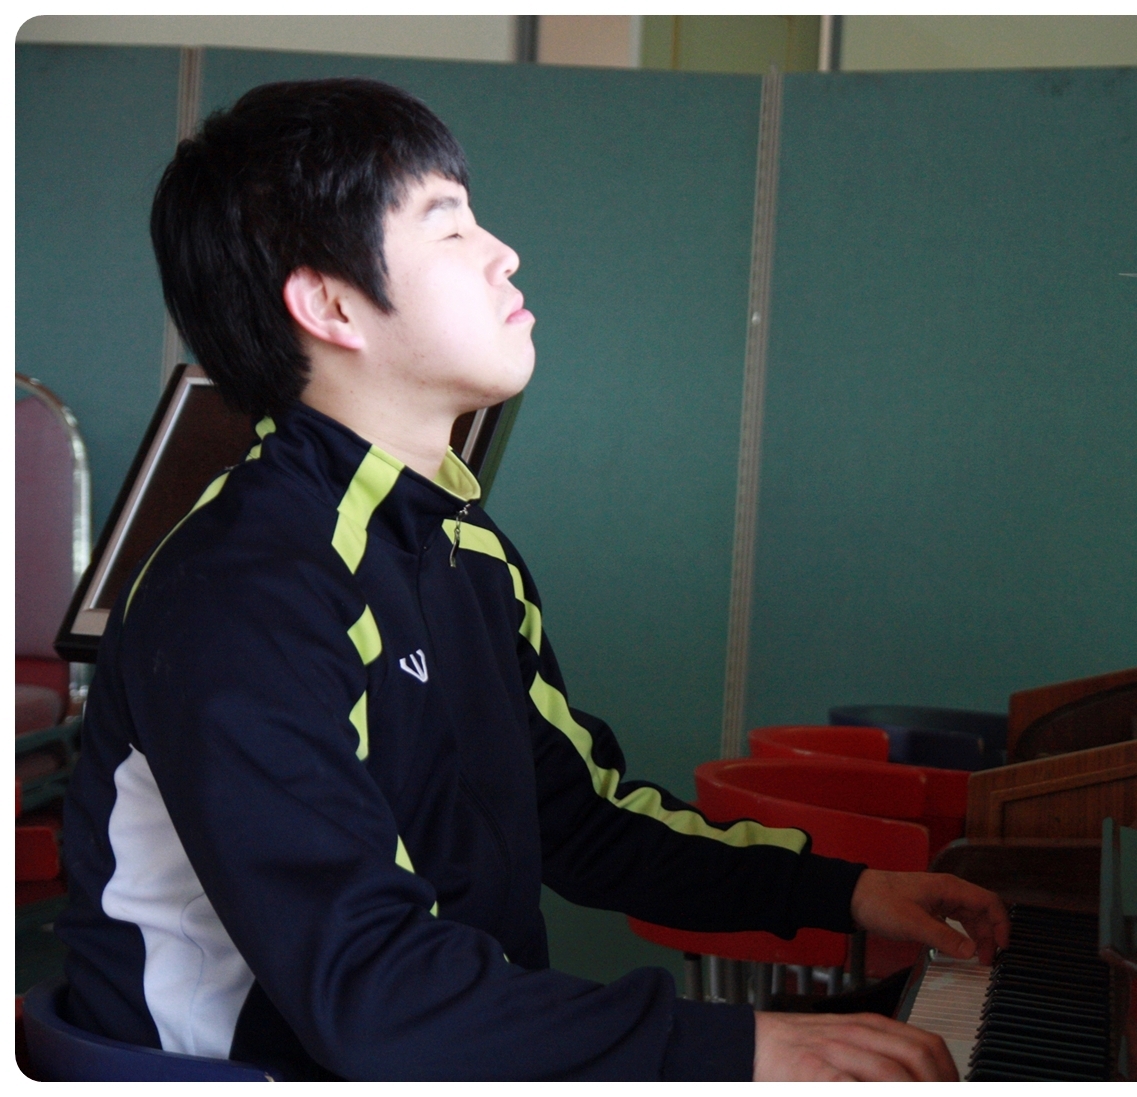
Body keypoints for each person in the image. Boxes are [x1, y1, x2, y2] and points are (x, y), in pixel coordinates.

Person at [54, 78, 1008, 1081]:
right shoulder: (243, 589)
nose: (502, 252)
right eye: (449, 225)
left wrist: (847, 890)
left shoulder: (465, 549)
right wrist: (742, 1045)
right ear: (332, 303)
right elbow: (372, 994)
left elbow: (581, 818)